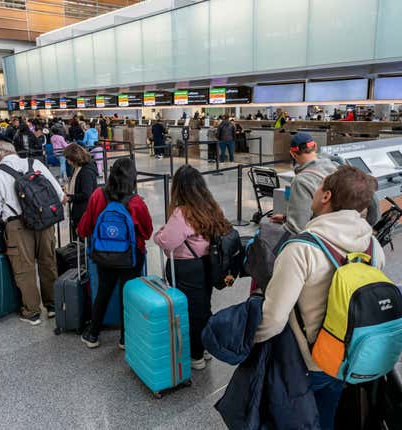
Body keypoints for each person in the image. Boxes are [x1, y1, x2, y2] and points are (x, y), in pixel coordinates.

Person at [254, 166, 384, 430]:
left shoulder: (301, 248)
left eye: (319, 186)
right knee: (326, 414)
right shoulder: (373, 245)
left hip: (305, 362)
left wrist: (249, 341)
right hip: (347, 354)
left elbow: (274, 319)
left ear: (326, 197)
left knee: (287, 418)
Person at [153, 165, 230, 370]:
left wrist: (159, 233)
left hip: (186, 267)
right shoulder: (211, 206)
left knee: (193, 311)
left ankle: (195, 355)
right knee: (203, 305)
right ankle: (204, 347)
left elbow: (166, 241)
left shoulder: (182, 213)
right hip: (209, 264)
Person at [0, 140, 64, 326]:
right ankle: (52, 307)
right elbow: (58, 194)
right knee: (48, 262)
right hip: (45, 222)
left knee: (24, 269)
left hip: (17, 227)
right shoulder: (35, 164)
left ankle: (32, 312)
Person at [77, 158, 153, 349]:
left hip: (104, 255)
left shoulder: (97, 195)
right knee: (128, 295)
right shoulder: (136, 202)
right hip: (131, 256)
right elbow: (147, 232)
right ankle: (125, 339)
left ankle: (93, 334)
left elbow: (84, 227)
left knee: (103, 291)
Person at [271, 132, 338, 234]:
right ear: (315, 146)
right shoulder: (335, 167)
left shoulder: (302, 181)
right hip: (339, 232)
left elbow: (297, 228)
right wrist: (286, 218)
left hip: (320, 238)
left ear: (292, 154)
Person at [64, 143, 98, 241]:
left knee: (81, 242)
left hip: (83, 213)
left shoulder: (85, 172)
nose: (68, 162)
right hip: (79, 212)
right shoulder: (78, 168)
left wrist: (70, 197)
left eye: (68, 159)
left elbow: (86, 194)